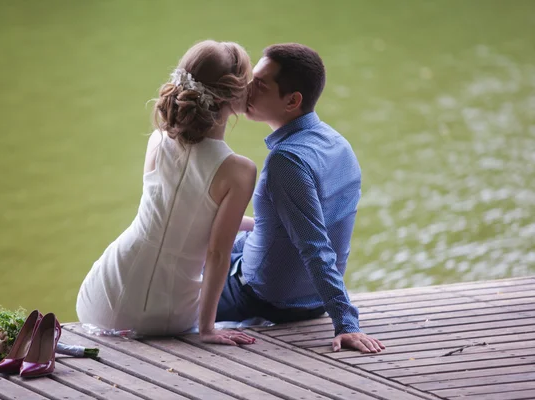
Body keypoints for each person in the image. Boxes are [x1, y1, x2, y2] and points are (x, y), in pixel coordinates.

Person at [76, 40, 257, 346]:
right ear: (231, 94)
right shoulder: (239, 171)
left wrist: (252, 224)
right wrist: (207, 329)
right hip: (168, 315)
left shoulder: (159, 141)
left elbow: (176, 212)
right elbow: (216, 252)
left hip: (101, 298)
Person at [216, 43, 386, 353]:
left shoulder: (288, 161)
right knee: (225, 241)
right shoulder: (337, 142)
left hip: (271, 299)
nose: (246, 90)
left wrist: (346, 323)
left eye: (259, 85)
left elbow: (315, 246)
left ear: (292, 100)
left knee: (179, 279)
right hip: (312, 298)